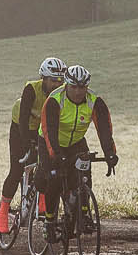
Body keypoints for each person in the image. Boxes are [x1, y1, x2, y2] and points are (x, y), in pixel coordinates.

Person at [38, 64, 118, 225]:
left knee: (84, 176)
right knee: (54, 178)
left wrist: (110, 153)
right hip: (50, 142)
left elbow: (104, 129)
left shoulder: (94, 101)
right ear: (66, 85)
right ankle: (49, 220)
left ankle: (83, 213)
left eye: (82, 87)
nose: (78, 92)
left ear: (87, 87)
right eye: (73, 87)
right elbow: (49, 130)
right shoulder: (54, 100)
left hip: (76, 142)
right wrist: (56, 155)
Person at [0, 56, 64, 233]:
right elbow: (24, 118)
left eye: (60, 81)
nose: (57, 84)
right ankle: (2, 212)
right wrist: (27, 144)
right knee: (16, 169)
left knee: (47, 164)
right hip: (21, 127)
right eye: (53, 80)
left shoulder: (62, 94)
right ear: (43, 78)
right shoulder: (31, 89)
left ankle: (41, 200)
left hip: (42, 129)